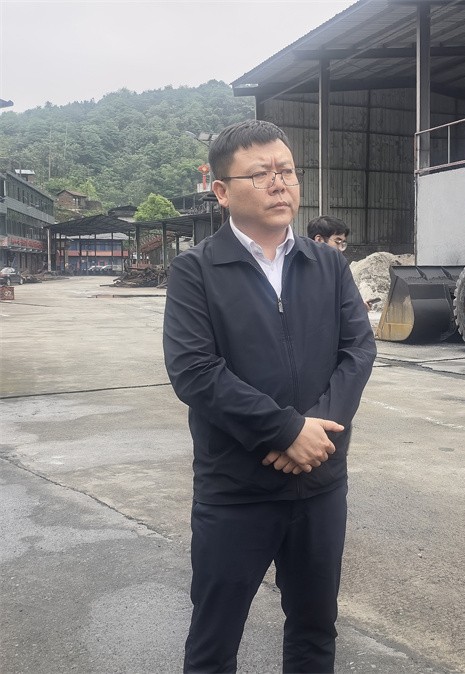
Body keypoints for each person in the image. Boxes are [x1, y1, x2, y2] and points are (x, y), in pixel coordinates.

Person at [163, 119, 377, 673]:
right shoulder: (196, 271)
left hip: (320, 485)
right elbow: (194, 370)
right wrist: (284, 430)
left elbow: (358, 350)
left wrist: (315, 433)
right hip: (237, 490)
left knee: (314, 630)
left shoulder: (327, 264)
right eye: (260, 174)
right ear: (221, 191)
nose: (279, 183)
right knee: (214, 641)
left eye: (286, 171)